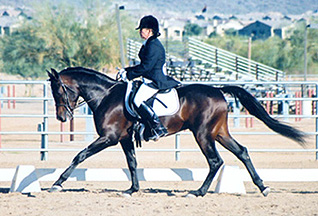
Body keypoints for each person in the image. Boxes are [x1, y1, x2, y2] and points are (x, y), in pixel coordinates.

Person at [120, 15, 180, 141]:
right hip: (148, 79)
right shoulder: (149, 43)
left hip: (155, 81)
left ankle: (157, 127)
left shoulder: (153, 45)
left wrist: (129, 75)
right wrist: (126, 70)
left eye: (142, 29)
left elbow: (146, 67)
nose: (140, 31)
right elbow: (143, 65)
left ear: (149, 30)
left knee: (137, 100)